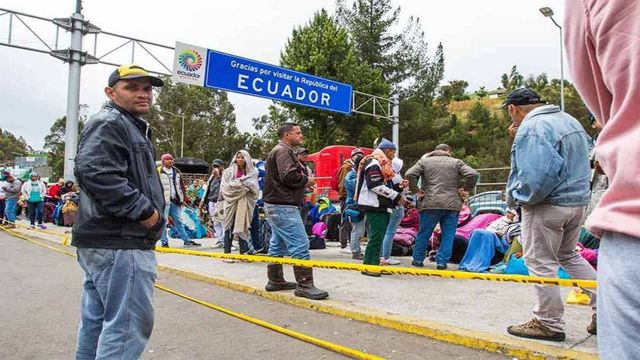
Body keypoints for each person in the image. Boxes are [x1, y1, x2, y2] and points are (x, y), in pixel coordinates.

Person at [71, 64, 166, 359]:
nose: (143, 94)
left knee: (97, 323)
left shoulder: (126, 125)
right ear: (111, 92)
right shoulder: (111, 122)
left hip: (107, 240)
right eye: (132, 87)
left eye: (147, 88)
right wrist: (146, 212)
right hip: (120, 241)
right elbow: (96, 173)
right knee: (126, 327)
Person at [564, 2, 640, 356]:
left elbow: (599, 97)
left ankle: (547, 317)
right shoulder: (571, 131)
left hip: (632, 215)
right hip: (579, 205)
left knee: (546, 259)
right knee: (565, 254)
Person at [502, 88, 597, 342]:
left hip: (547, 205)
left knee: (541, 262)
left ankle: (548, 322)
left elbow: (536, 175)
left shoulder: (532, 127)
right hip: (576, 203)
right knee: (569, 255)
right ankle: (606, 308)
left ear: (513, 109)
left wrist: (520, 199)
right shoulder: (569, 120)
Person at [263, 122, 328, 300]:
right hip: (283, 205)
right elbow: (289, 176)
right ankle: (305, 284)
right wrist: (307, 180)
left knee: (278, 244)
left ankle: (275, 280)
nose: (301, 136)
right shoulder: (283, 151)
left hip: (277, 204)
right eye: (297, 133)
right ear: (287, 136)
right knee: (300, 243)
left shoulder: (280, 150)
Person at [405, 144, 478, 270]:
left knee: (424, 233)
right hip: (451, 204)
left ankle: (417, 259)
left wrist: (416, 191)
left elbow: (409, 174)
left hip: (430, 203)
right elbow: (472, 174)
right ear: (448, 151)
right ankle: (442, 262)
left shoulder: (424, 162)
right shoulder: (456, 162)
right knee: (448, 235)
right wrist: (466, 189)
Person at [356, 139, 410, 277]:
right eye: (393, 152)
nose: (394, 155)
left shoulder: (382, 164)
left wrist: (398, 187)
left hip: (381, 205)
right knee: (376, 237)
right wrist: (396, 196)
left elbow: (384, 185)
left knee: (379, 237)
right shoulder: (374, 164)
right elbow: (374, 185)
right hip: (374, 205)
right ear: (386, 151)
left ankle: (376, 263)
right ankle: (369, 266)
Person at [220, 150, 259, 255]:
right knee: (229, 226)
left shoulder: (253, 172)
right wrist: (241, 188)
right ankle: (227, 253)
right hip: (230, 202)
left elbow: (254, 187)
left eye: (242, 157)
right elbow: (224, 187)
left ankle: (243, 253)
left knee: (242, 225)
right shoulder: (228, 172)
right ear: (235, 159)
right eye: (238, 157)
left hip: (245, 202)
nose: (240, 159)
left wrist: (240, 185)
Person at [157, 153, 200, 247]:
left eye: (172, 159)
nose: (171, 161)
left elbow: (181, 185)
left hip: (175, 200)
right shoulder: (158, 171)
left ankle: (187, 240)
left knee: (179, 221)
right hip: (164, 200)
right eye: (168, 159)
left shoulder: (176, 171)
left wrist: (184, 198)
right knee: (164, 222)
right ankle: (164, 241)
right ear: (163, 161)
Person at [380, 157, 407, 266]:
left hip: (391, 206)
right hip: (396, 206)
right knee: (390, 232)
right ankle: (385, 256)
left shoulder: (388, 174)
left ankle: (382, 254)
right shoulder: (395, 176)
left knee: (386, 231)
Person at [343, 153, 366, 259]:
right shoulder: (351, 176)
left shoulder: (358, 174)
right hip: (355, 206)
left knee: (364, 229)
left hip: (364, 205)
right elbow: (357, 186)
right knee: (357, 229)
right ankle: (356, 251)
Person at [202, 159, 225, 247]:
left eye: (218, 166)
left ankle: (224, 240)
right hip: (212, 202)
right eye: (214, 166)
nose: (216, 168)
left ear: (222, 167)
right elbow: (208, 190)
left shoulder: (225, 176)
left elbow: (225, 186)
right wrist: (205, 202)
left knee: (223, 221)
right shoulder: (211, 177)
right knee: (215, 222)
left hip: (221, 202)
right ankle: (220, 240)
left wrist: (219, 176)